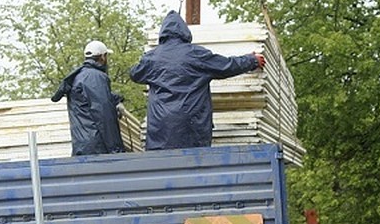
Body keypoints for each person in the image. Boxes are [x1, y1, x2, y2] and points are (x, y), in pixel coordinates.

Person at [129, 11, 266, 150]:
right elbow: (226, 66)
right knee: (193, 168)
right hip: (191, 130)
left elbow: (134, 73)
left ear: (163, 33)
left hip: (159, 133)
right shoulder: (196, 54)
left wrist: (148, 58)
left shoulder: (152, 58)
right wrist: (251, 60)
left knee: (163, 170)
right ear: (184, 32)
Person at [51, 40, 125, 156]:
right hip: (98, 148)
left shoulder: (79, 77)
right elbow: (103, 114)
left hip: (82, 146)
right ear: (103, 57)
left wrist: (115, 99)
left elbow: (87, 101)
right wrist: (116, 149)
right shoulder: (96, 77)